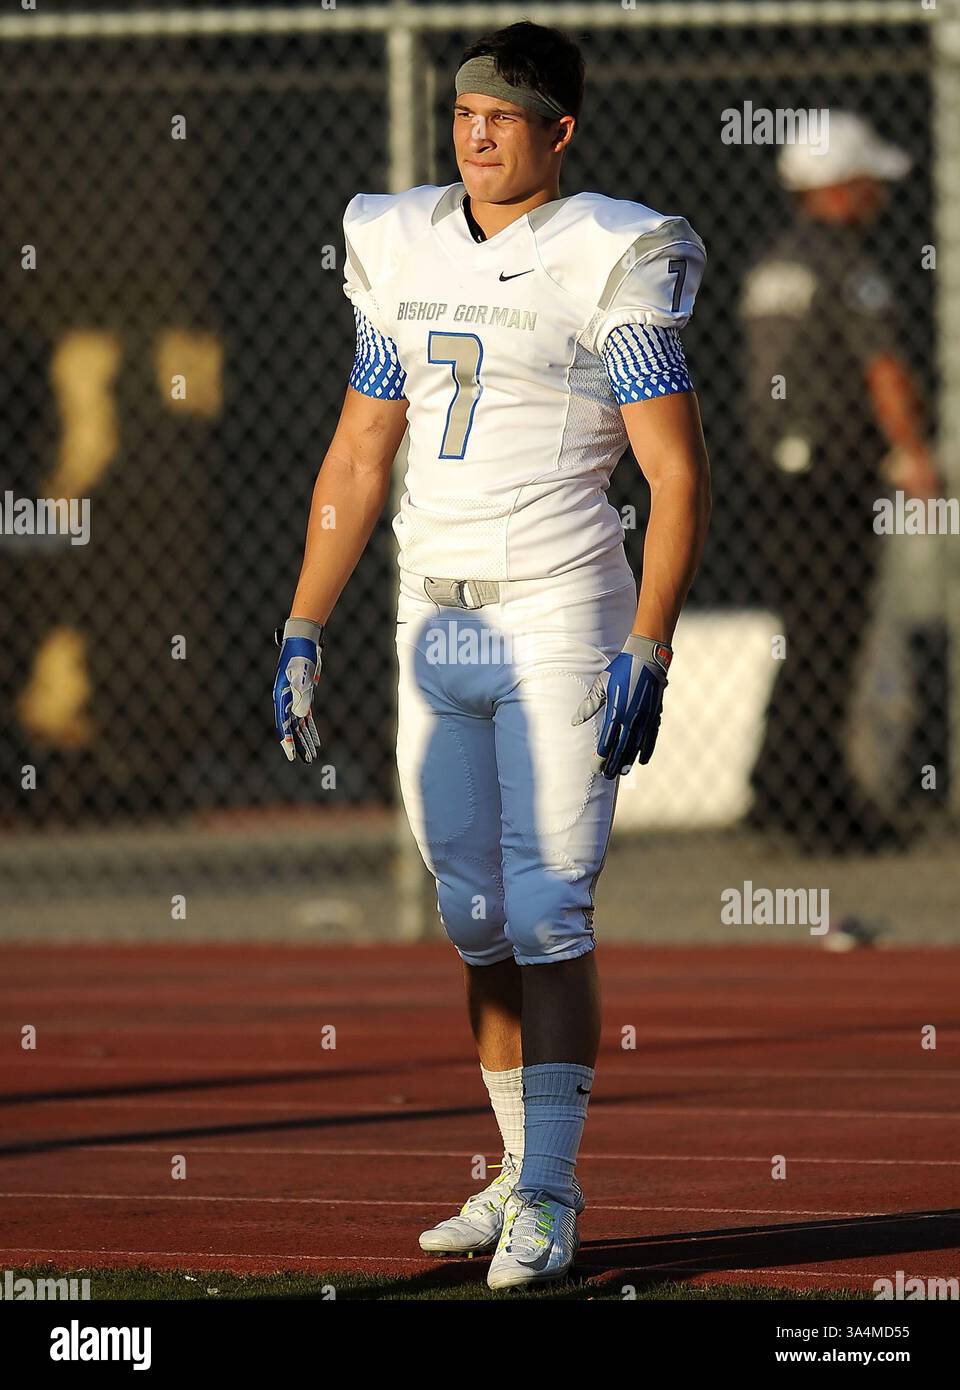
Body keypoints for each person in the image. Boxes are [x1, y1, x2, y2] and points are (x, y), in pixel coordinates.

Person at [273, 22, 710, 1289]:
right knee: (473, 916)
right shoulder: (400, 241)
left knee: (548, 904)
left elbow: (674, 473)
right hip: (433, 609)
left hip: (560, 603)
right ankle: (516, 1167)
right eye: (465, 112)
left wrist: (650, 640)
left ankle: (557, 1191)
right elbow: (361, 450)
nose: (474, 133)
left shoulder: (609, 253)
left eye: (504, 117)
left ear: (558, 131)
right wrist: (306, 618)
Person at [740, 111, 939, 853]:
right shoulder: (849, 269)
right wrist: (912, 452)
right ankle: (813, 808)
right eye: (869, 183)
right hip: (832, 478)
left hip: (775, 478)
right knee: (830, 641)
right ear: (843, 186)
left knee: (806, 638)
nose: (879, 197)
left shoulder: (772, 264)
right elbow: (882, 369)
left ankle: (781, 791)